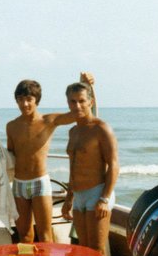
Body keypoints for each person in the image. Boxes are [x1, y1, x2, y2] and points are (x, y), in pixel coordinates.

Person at [6, 73, 94, 243]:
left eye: (29, 99)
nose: (25, 104)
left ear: (37, 100)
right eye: (20, 99)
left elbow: (78, 112)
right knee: (24, 236)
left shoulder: (48, 121)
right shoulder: (11, 126)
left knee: (45, 235)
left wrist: (87, 86)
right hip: (18, 185)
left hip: (39, 183)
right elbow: (10, 157)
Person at [61, 81, 119, 256]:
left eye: (81, 101)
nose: (77, 106)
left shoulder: (101, 129)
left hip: (97, 193)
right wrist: (68, 198)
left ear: (90, 102)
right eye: (72, 101)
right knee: (84, 251)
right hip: (79, 196)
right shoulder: (73, 131)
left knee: (97, 252)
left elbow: (114, 165)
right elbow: (73, 167)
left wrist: (104, 199)